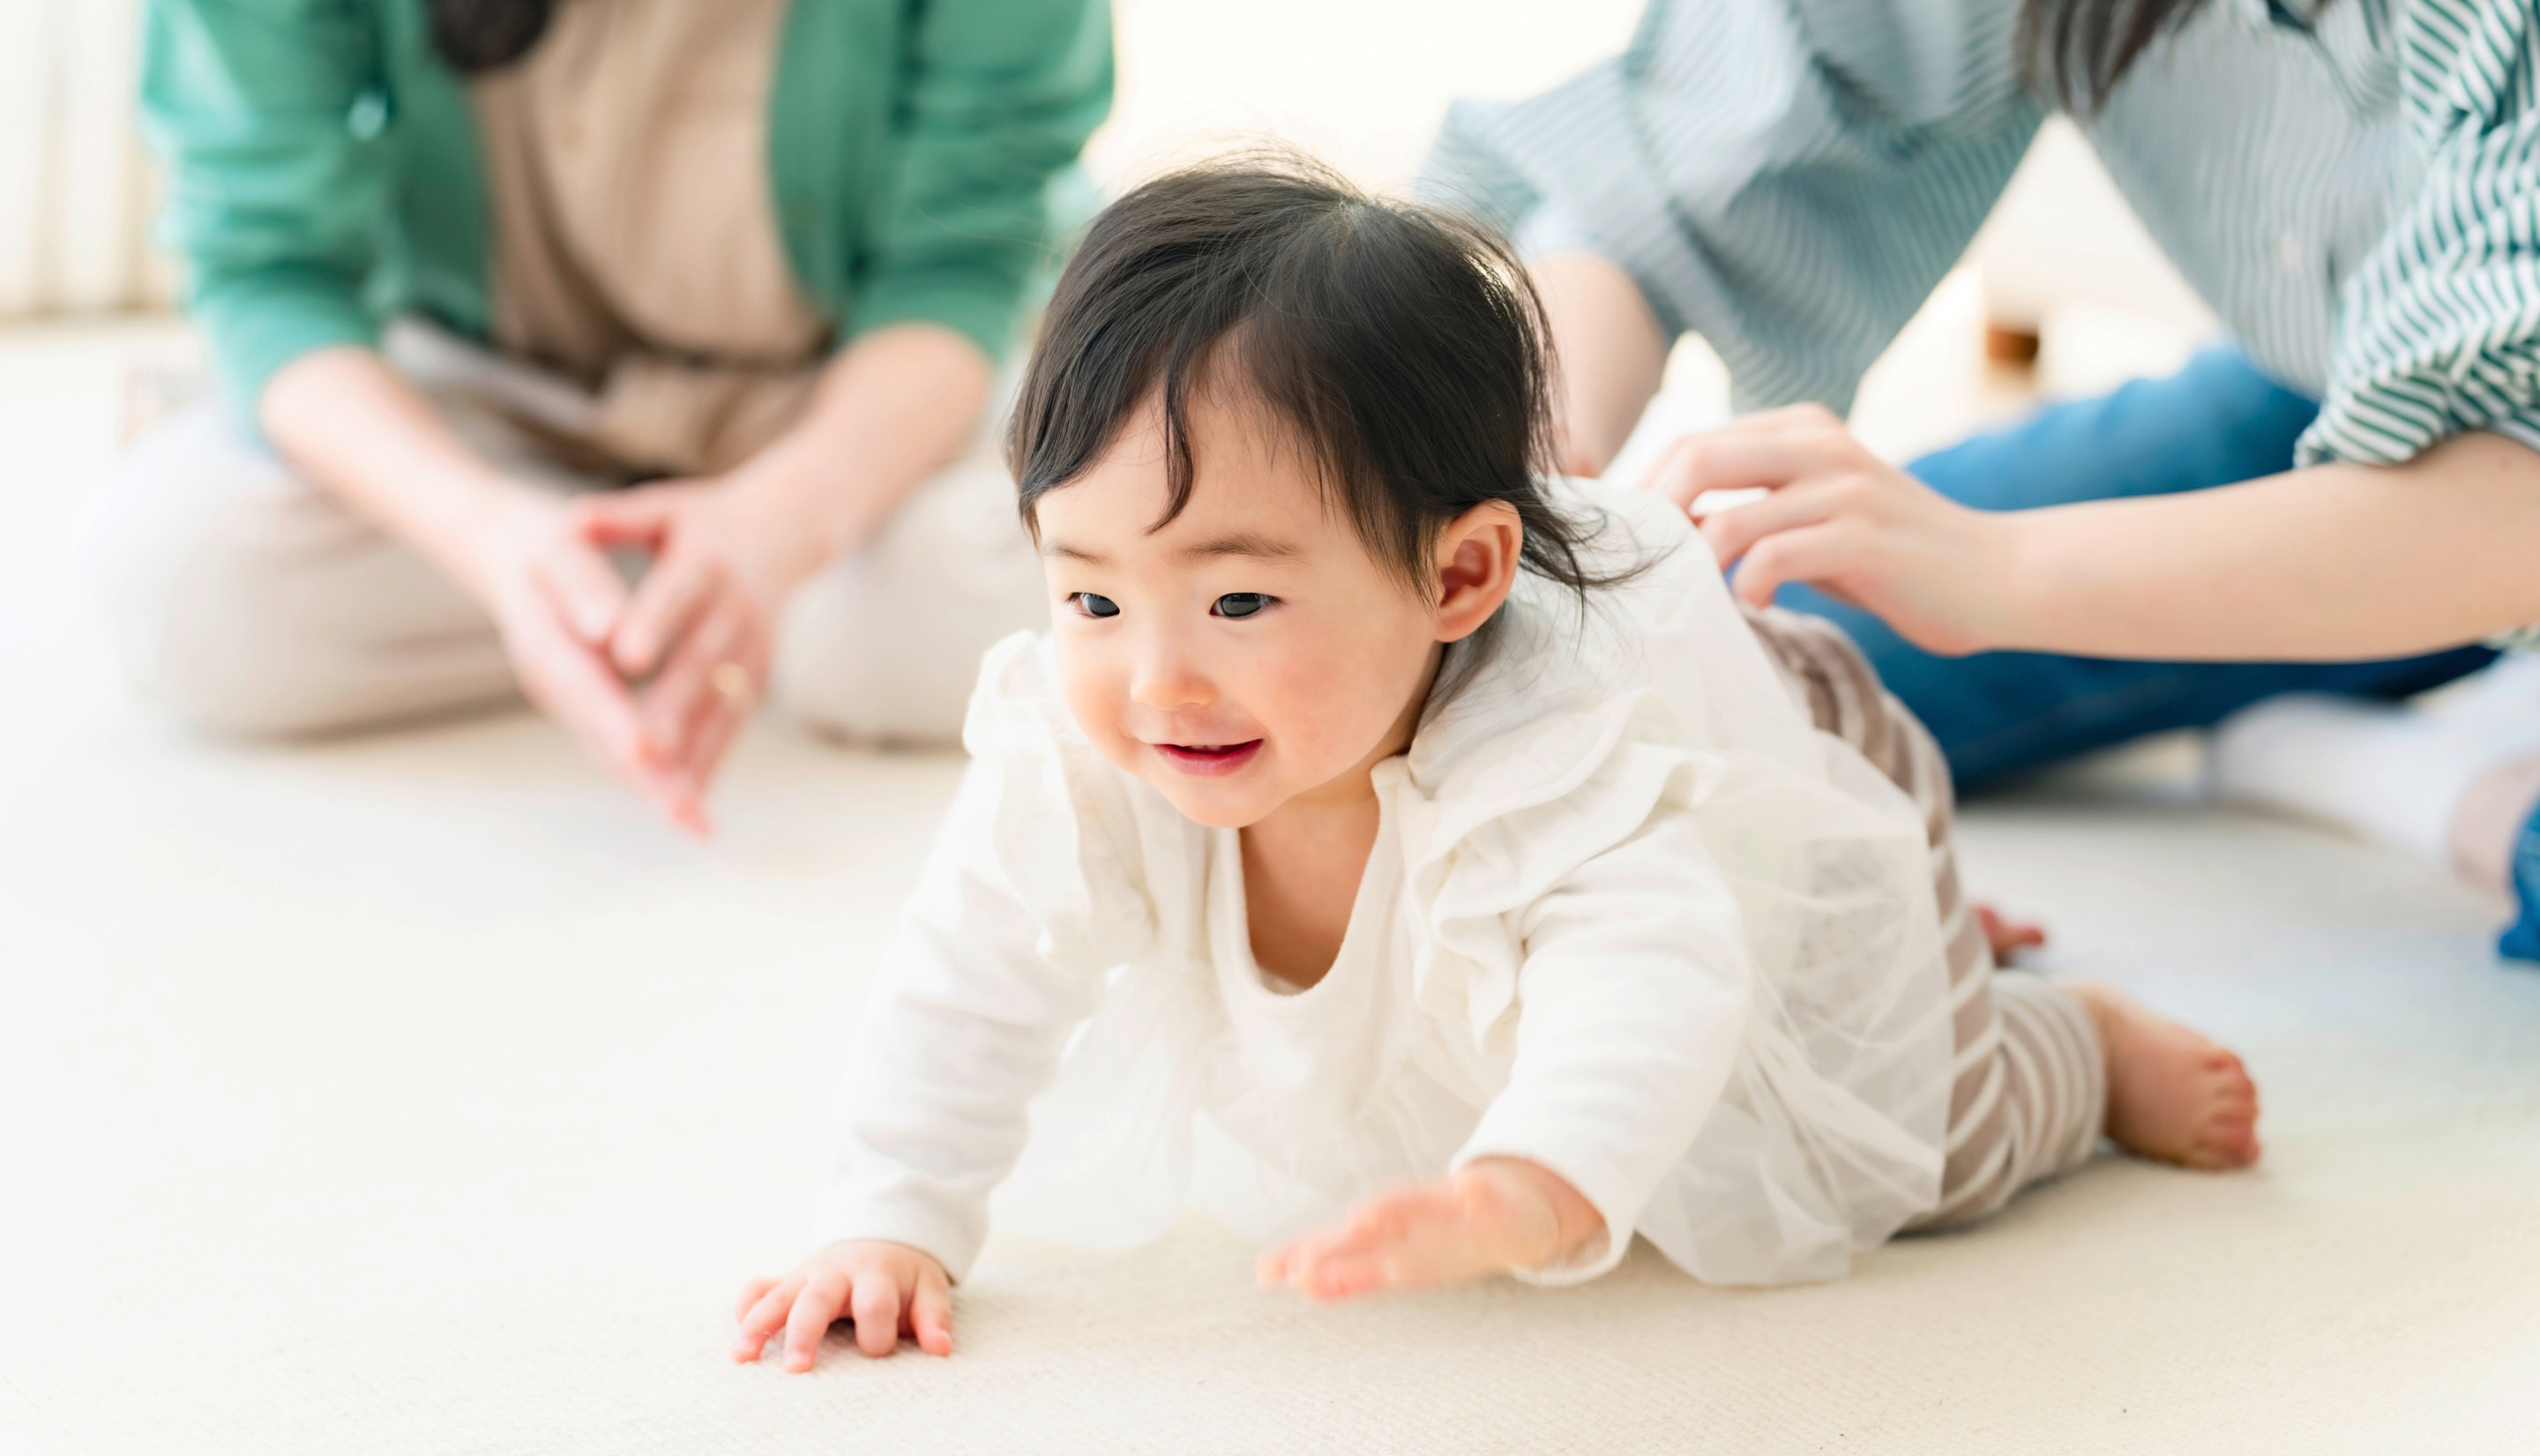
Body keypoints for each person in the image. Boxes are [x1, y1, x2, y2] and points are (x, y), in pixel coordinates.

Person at [728, 161, 2259, 1370]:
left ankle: (2073, 1040)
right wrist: (892, 1220)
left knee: (1916, 1141)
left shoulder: (1551, 761)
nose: (1156, 675)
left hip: (1781, 759)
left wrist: (1528, 1180)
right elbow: (968, 975)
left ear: (1460, 581)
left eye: (1241, 598)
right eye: (1092, 596)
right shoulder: (1086, 745)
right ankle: (1922, 961)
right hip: (1637, 849)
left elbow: (1653, 970)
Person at [1416, 0, 2540, 953]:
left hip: (2501, 480)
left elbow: (2513, 509)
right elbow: (1666, 172)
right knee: (1774, 650)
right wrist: (1510, 474)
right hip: (2345, 385)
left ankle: (2448, 787)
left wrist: (1989, 570)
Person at [89, 0, 1109, 830]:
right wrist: (490, 539)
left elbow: (962, 260)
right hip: (492, 395)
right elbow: (272, 270)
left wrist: (782, 521)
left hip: (844, 387)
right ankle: (674, 604)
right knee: (183, 583)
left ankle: (670, 600)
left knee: (940, 622)